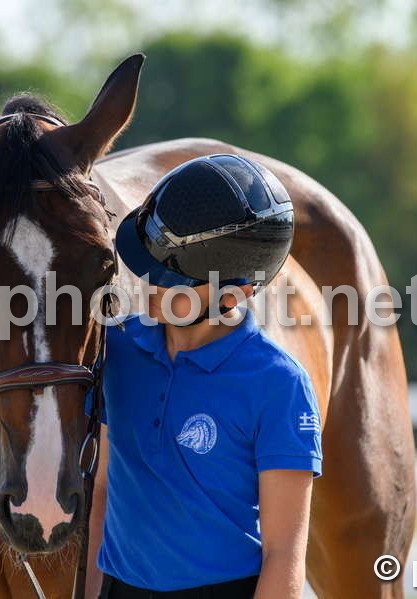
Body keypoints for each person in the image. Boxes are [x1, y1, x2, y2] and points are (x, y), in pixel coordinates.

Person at [85, 154, 322, 599]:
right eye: (148, 265)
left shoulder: (278, 385)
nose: (149, 284)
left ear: (235, 293)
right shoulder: (116, 349)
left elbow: (284, 553)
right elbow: (100, 489)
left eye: (171, 278)